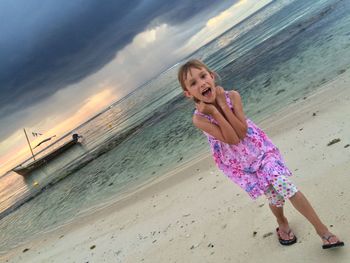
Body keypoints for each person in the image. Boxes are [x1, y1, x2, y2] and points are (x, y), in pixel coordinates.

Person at [177, 59, 344, 249]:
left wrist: (223, 104)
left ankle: (323, 232)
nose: (202, 83)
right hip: (243, 164)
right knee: (275, 197)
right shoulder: (199, 118)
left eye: (203, 76)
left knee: (284, 184)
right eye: (193, 83)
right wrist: (215, 112)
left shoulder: (232, 96)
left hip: (260, 150)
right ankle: (282, 223)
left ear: (212, 76)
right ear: (188, 93)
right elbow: (232, 140)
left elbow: (241, 131)